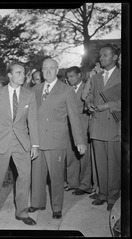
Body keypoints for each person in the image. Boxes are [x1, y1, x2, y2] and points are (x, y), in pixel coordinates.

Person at [29, 58, 86, 220]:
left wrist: (79, 141)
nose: (47, 72)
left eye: (51, 68)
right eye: (44, 69)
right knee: (37, 175)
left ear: (57, 70)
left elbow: (74, 118)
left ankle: (57, 207)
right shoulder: (35, 89)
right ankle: (37, 203)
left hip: (56, 140)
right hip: (37, 140)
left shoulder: (66, 90)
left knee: (56, 177)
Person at [0, 62, 39, 226]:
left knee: (25, 176)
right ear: (9, 75)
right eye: (19, 73)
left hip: (22, 142)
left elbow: (33, 121)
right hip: (0, 140)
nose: (22, 76)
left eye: (23, 73)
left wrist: (35, 144)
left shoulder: (29, 94)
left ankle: (21, 212)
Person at [84, 44, 121, 211]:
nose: (101, 58)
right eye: (100, 55)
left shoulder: (122, 76)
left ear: (115, 57)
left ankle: (113, 196)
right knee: (100, 163)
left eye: (105, 55)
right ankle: (103, 193)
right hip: (97, 124)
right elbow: (90, 94)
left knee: (114, 163)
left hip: (114, 125)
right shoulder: (96, 77)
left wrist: (109, 105)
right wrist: (89, 103)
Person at [64, 66, 92, 195]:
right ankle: (72, 183)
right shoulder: (67, 90)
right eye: (68, 77)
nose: (70, 79)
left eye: (72, 76)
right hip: (69, 128)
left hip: (83, 126)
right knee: (71, 156)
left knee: (84, 157)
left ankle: (85, 185)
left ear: (79, 75)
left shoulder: (87, 87)